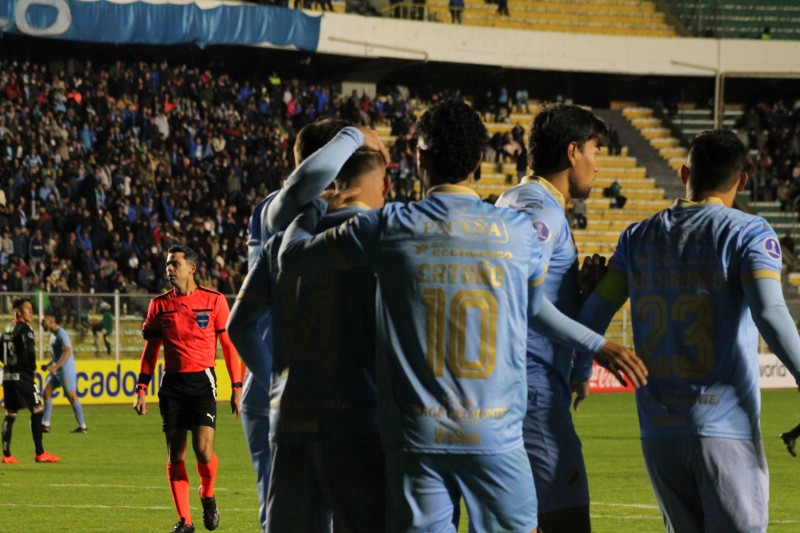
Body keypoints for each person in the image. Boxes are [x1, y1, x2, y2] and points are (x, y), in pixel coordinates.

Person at [279, 99, 647, 532]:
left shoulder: (389, 225)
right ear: (478, 161)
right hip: (496, 433)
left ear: (420, 158)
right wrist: (597, 344)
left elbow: (291, 256)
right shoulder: (516, 232)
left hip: (418, 435)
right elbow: (534, 307)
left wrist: (315, 205)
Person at [578, 130, 800, 533]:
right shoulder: (749, 232)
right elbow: (769, 311)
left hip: (658, 433)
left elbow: (594, 312)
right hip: (725, 427)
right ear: (743, 180)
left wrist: (578, 371)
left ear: (685, 174)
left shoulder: (637, 237)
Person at [228, 119, 388, 531]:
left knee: (284, 516)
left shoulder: (291, 221)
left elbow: (240, 325)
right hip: (323, 394)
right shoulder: (289, 211)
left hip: (285, 391)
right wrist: (354, 135)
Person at [494, 104, 613, 532]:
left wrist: (580, 297)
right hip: (532, 392)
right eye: (595, 151)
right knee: (568, 521)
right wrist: (600, 347)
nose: (597, 165)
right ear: (572, 152)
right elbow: (521, 298)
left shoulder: (513, 200)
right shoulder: (539, 212)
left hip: (523, 385)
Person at [133, 244, 245, 533]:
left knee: (204, 451)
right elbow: (151, 350)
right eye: (167, 264)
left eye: (175, 264)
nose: (169, 269)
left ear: (192, 268)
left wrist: (236, 386)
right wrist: (141, 387)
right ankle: (185, 520)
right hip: (172, 385)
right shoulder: (159, 305)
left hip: (202, 382)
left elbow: (228, 346)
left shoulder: (214, 300)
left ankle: (207, 493)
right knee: (176, 456)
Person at [1, 297, 60, 464]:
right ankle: (40, 453)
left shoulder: (6, 328)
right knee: (38, 409)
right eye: (27, 308)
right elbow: (29, 350)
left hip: (8, 376)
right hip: (23, 376)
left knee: (11, 413)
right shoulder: (25, 329)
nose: (31, 311)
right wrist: (32, 368)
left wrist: (8, 366)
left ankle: (6, 454)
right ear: (18, 311)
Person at [41, 310, 88, 434]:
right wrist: (49, 365)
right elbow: (57, 356)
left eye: (44, 322)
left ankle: (83, 426)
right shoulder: (53, 335)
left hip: (66, 371)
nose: (42, 324)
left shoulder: (62, 334)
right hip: (57, 371)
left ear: (51, 321)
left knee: (71, 397)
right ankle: (45, 424)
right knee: (46, 392)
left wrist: (55, 367)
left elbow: (67, 352)